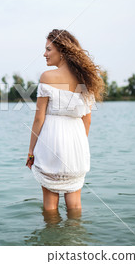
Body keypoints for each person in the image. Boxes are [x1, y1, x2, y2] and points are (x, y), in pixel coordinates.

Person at [26, 29, 105, 214]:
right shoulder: (86, 79)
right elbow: (88, 120)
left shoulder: (47, 77)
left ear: (61, 51)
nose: (44, 54)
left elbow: (39, 118)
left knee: (50, 207)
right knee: (75, 205)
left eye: (48, 49)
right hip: (77, 143)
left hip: (50, 142)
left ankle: (52, 240)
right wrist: (78, 145)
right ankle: (75, 241)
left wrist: (31, 152)